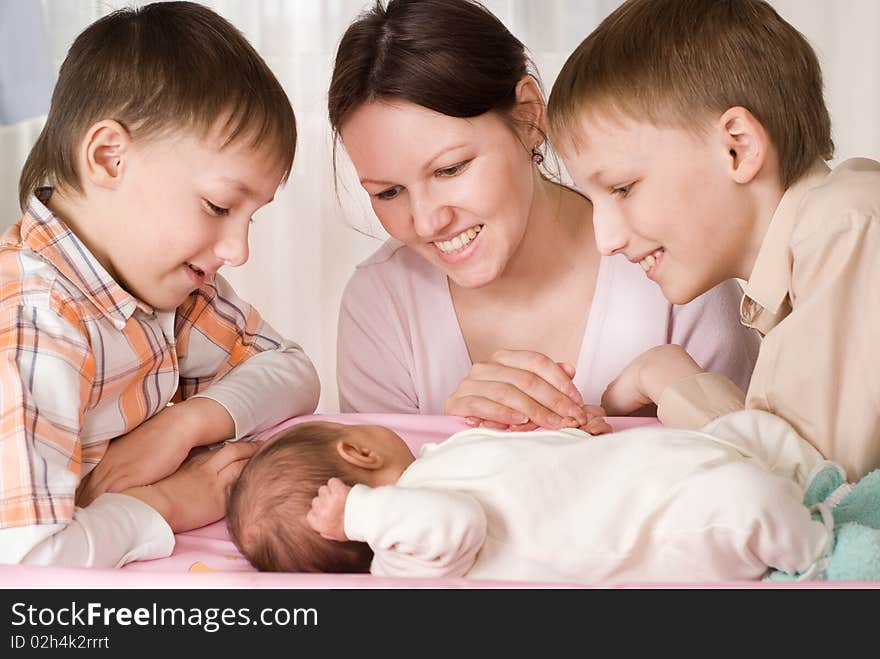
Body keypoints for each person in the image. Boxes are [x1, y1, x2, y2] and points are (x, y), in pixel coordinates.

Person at [329, 0, 759, 431]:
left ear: (529, 117)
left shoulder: (674, 263)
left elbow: (758, 470)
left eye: (450, 169)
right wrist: (455, 438)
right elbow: (375, 494)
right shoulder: (380, 305)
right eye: (388, 192)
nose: (425, 223)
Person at [0, 2, 320, 568]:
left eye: (251, 216)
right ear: (109, 158)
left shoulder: (162, 286)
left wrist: (184, 423)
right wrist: (170, 501)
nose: (238, 249)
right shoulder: (35, 316)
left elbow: (292, 370)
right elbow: (29, 565)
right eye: (219, 205)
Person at [546, 0, 880, 480]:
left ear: (737, 148)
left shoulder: (847, 228)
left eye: (622, 188)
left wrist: (675, 383)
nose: (606, 239)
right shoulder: (806, 258)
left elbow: (808, 498)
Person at [226, 410, 844, 585]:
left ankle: (824, 493)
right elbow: (457, 522)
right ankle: (822, 555)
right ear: (357, 453)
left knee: (748, 428)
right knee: (744, 502)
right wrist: (360, 514)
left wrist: (565, 432)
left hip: (649, 466)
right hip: (655, 526)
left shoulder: (438, 462)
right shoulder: (407, 558)